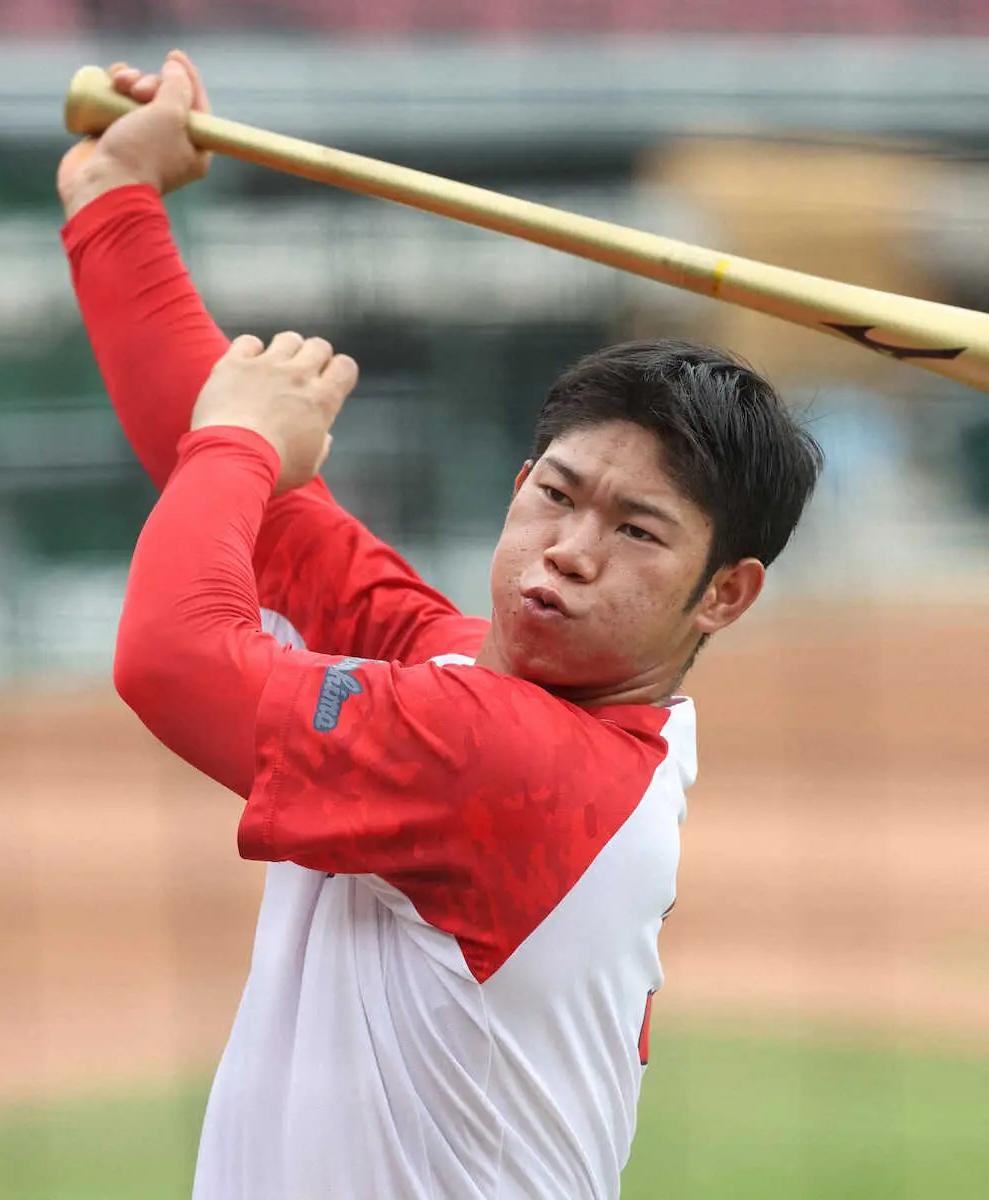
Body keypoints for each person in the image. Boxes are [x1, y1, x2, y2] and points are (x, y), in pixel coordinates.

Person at [58, 52, 822, 1200]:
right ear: (518, 480)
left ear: (726, 592)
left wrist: (242, 444)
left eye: (637, 531)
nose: (568, 547)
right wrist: (115, 201)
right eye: (555, 495)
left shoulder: (507, 756)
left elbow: (169, 658)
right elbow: (260, 508)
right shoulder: (484, 681)